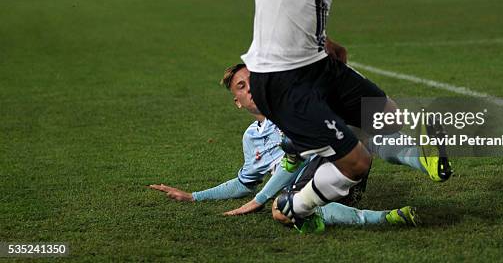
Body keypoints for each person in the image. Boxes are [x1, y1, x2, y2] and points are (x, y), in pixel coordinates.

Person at [176, 0, 451, 232]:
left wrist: (326, 40)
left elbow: (305, 5)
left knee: (387, 116)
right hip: (280, 77)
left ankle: (427, 161)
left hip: (317, 63)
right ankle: (296, 205)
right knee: (357, 162)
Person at [149, 64, 420, 232]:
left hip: (339, 164)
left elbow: (298, 157)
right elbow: (244, 182)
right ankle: (388, 217)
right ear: (238, 102)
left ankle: (417, 158)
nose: (250, 87)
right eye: (242, 87)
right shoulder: (251, 137)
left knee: (288, 196)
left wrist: (260, 198)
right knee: (283, 210)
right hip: (315, 184)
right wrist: (194, 196)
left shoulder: (291, 105)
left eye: (252, 79)